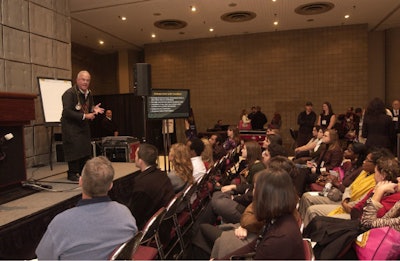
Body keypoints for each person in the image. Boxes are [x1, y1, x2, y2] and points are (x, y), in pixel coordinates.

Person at [35, 156, 137, 260]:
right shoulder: (125, 214)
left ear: (80, 182)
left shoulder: (60, 223)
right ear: (110, 185)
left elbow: (44, 258)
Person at [221, 168, 305, 260]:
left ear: (265, 197)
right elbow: (254, 246)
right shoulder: (279, 218)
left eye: (255, 189)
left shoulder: (279, 237)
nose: (253, 193)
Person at [61, 70, 104, 181]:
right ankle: (72, 173)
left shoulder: (88, 93)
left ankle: (82, 172)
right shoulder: (69, 93)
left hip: (83, 126)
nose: (85, 82)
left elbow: (88, 107)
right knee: (75, 149)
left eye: (88, 80)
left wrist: (93, 109)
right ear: (77, 80)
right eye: (83, 79)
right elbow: (67, 112)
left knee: (84, 149)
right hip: (71, 127)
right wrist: (85, 116)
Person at [127, 143, 175, 230]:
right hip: (166, 222)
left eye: (136, 156)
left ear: (140, 161)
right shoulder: (162, 175)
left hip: (154, 229)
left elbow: (134, 216)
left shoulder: (142, 184)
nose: (134, 158)